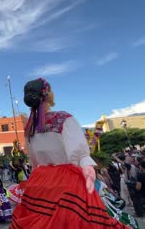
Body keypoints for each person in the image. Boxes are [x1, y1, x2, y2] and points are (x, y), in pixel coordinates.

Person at [10, 78, 128, 228]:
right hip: (66, 179)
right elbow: (80, 154)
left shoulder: (29, 128)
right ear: (48, 95)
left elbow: (33, 161)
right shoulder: (64, 118)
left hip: (39, 181)